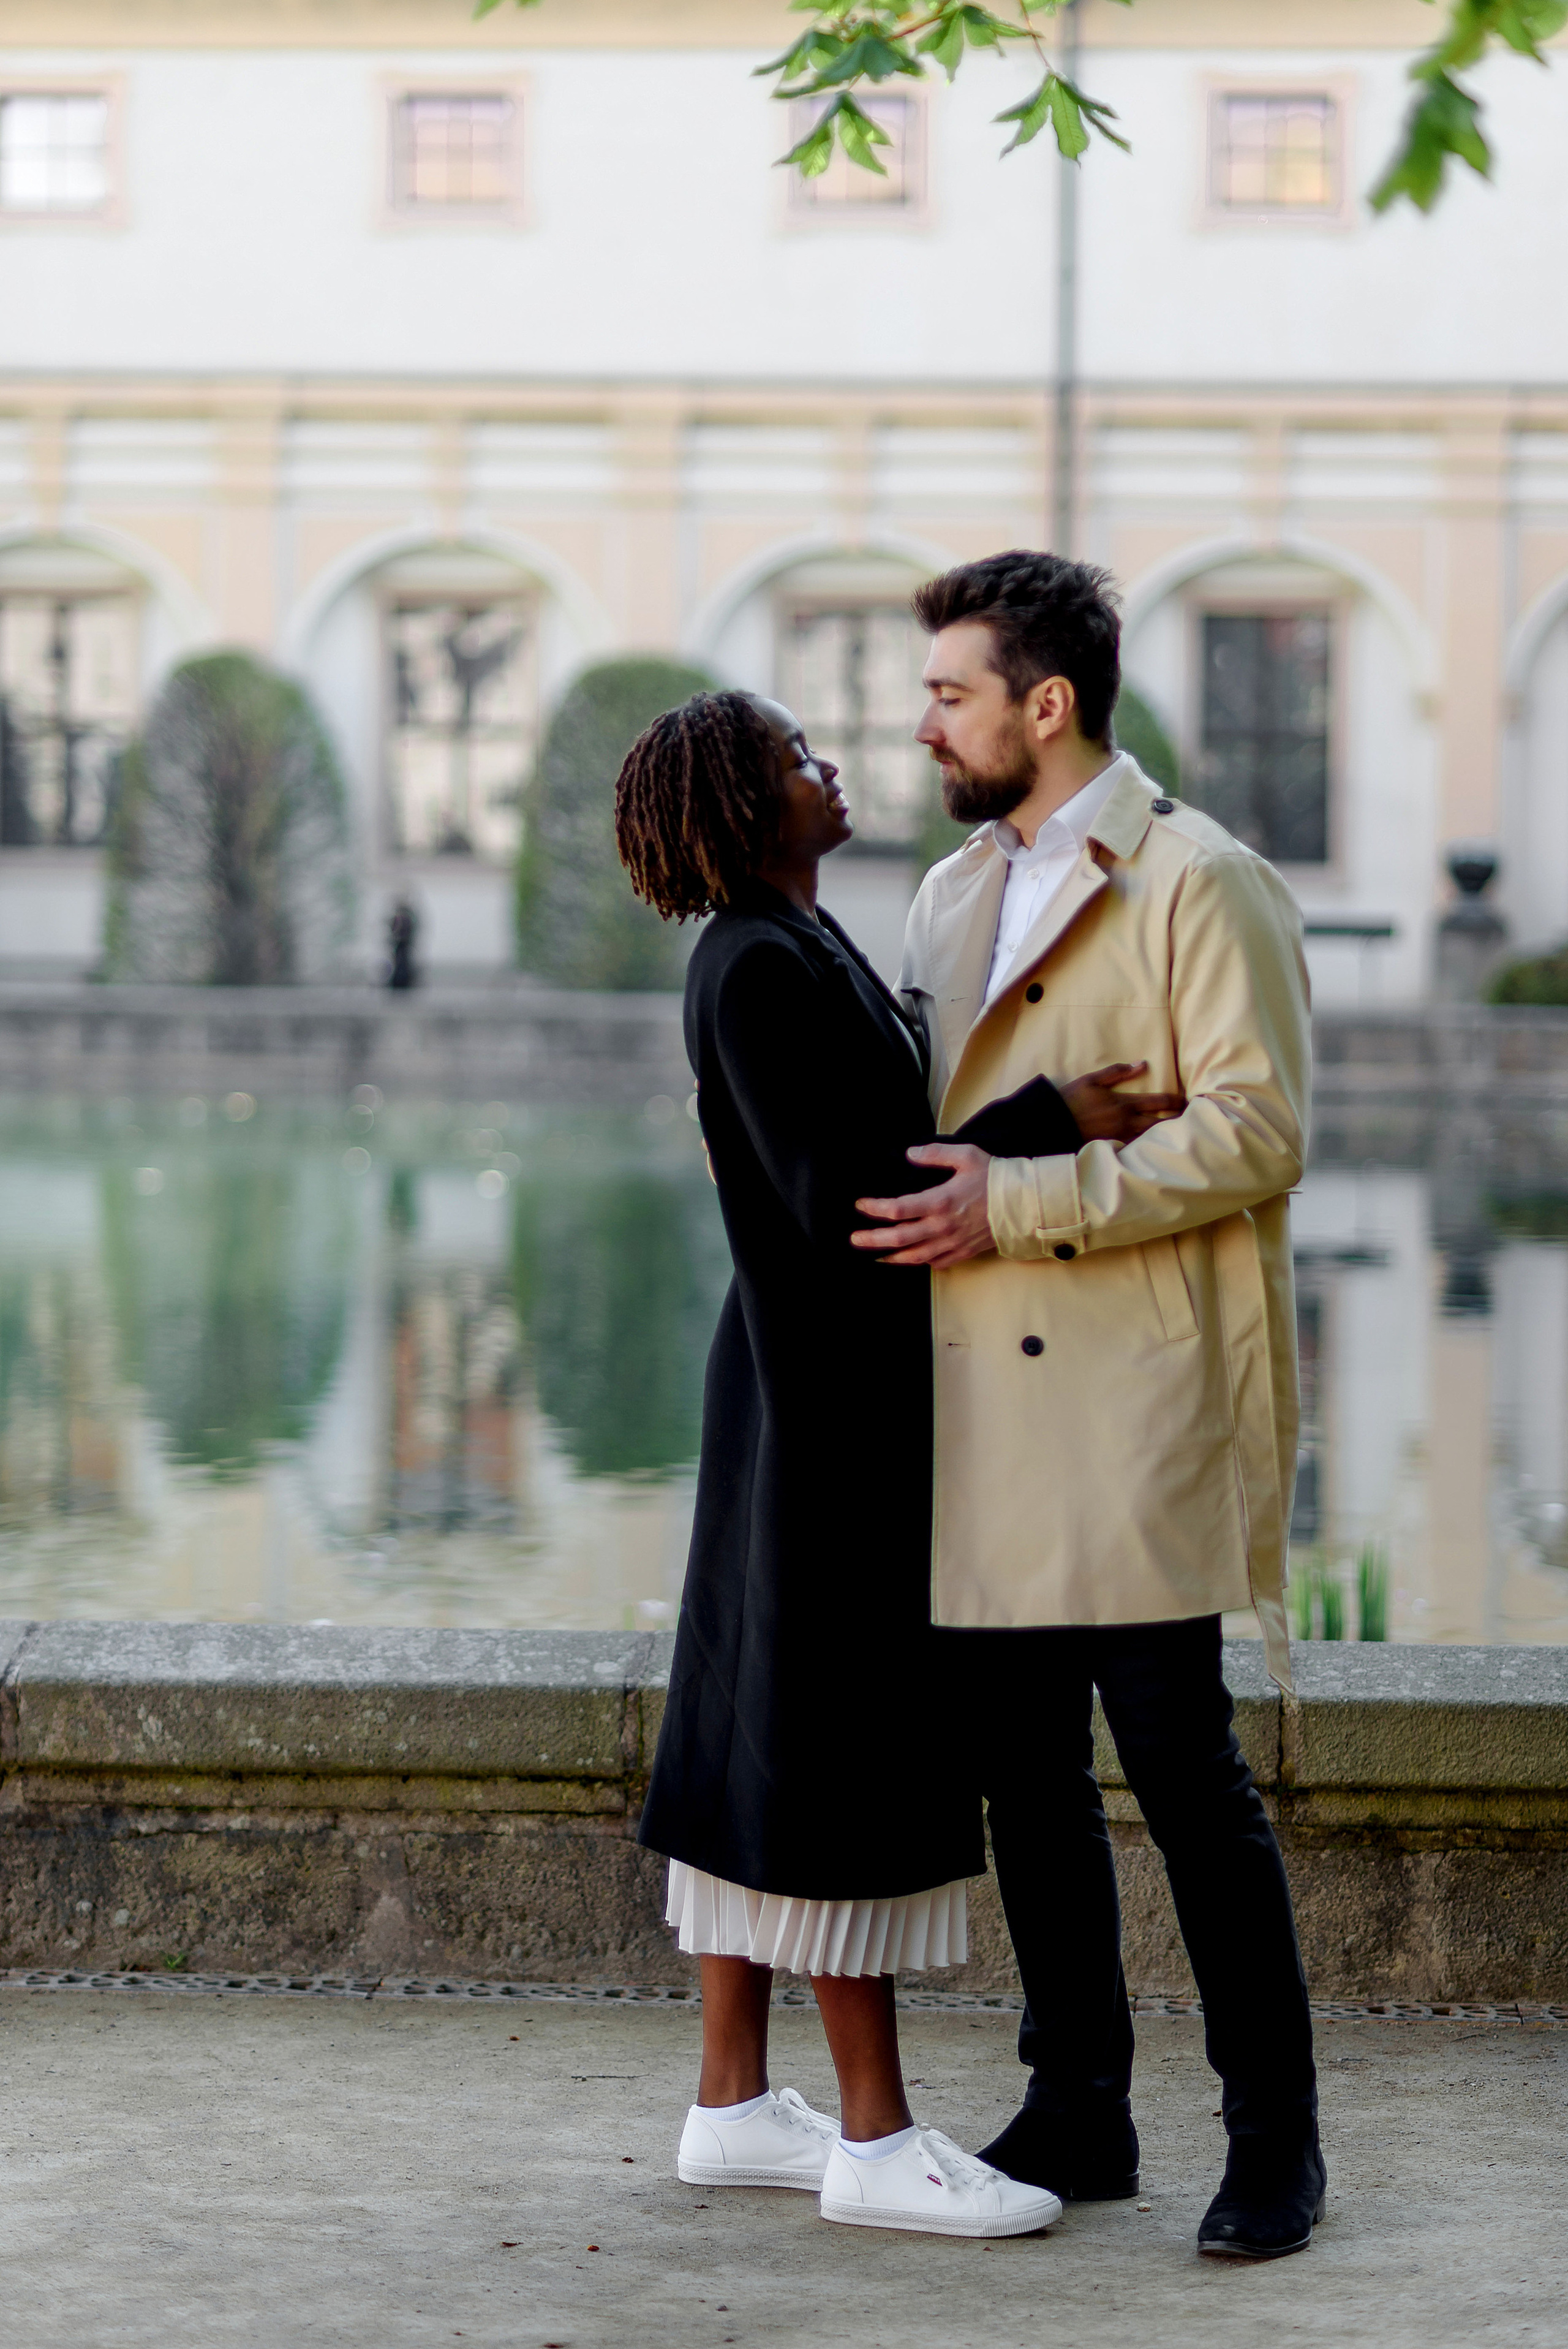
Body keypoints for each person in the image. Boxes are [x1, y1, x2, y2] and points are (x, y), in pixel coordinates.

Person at [613, 686, 1176, 2239]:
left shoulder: (784, 945)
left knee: (756, 1733)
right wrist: (1042, 1119)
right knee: (829, 1745)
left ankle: (732, 2105)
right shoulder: (754, 965)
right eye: (797, 757)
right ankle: (873, 2141)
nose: (830, 767)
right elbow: (860, 1205)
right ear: (743, 800)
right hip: (833, 1413)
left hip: (796, 1390)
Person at [850, 551, 1325, 2261]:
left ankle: (1276, 2140)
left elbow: (1260, 1129)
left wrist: (1028, 1197)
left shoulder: (1206, 882)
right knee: (1027, 1779)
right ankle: (1081, 2110)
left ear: (1046, 706)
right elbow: (947, 1131)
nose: (925, 728)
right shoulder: (948, 893)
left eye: (952, 695)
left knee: (1188, 1776)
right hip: (985, 1403)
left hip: (1133, 1399)